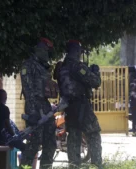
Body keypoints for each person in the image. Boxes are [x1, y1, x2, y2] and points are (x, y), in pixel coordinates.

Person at [55, 40, 102, 168]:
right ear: (76, 51)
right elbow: (95, 82)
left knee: (74, 137)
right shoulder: (77, 67)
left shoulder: (61, 68)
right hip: (82, 105)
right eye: (80, 51)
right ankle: (97, 165)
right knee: (93, 134)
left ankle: (74, 166)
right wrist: (95, 71)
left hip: (69, 107)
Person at [20, 37, 57, 168]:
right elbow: (27, 89)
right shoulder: (28, 65)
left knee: (51, 143)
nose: (47, 54)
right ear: (40, 50)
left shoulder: (43, 67)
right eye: (46, 51)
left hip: (45, 106)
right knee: (34, 144)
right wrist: (32, 111)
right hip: (34, 106)